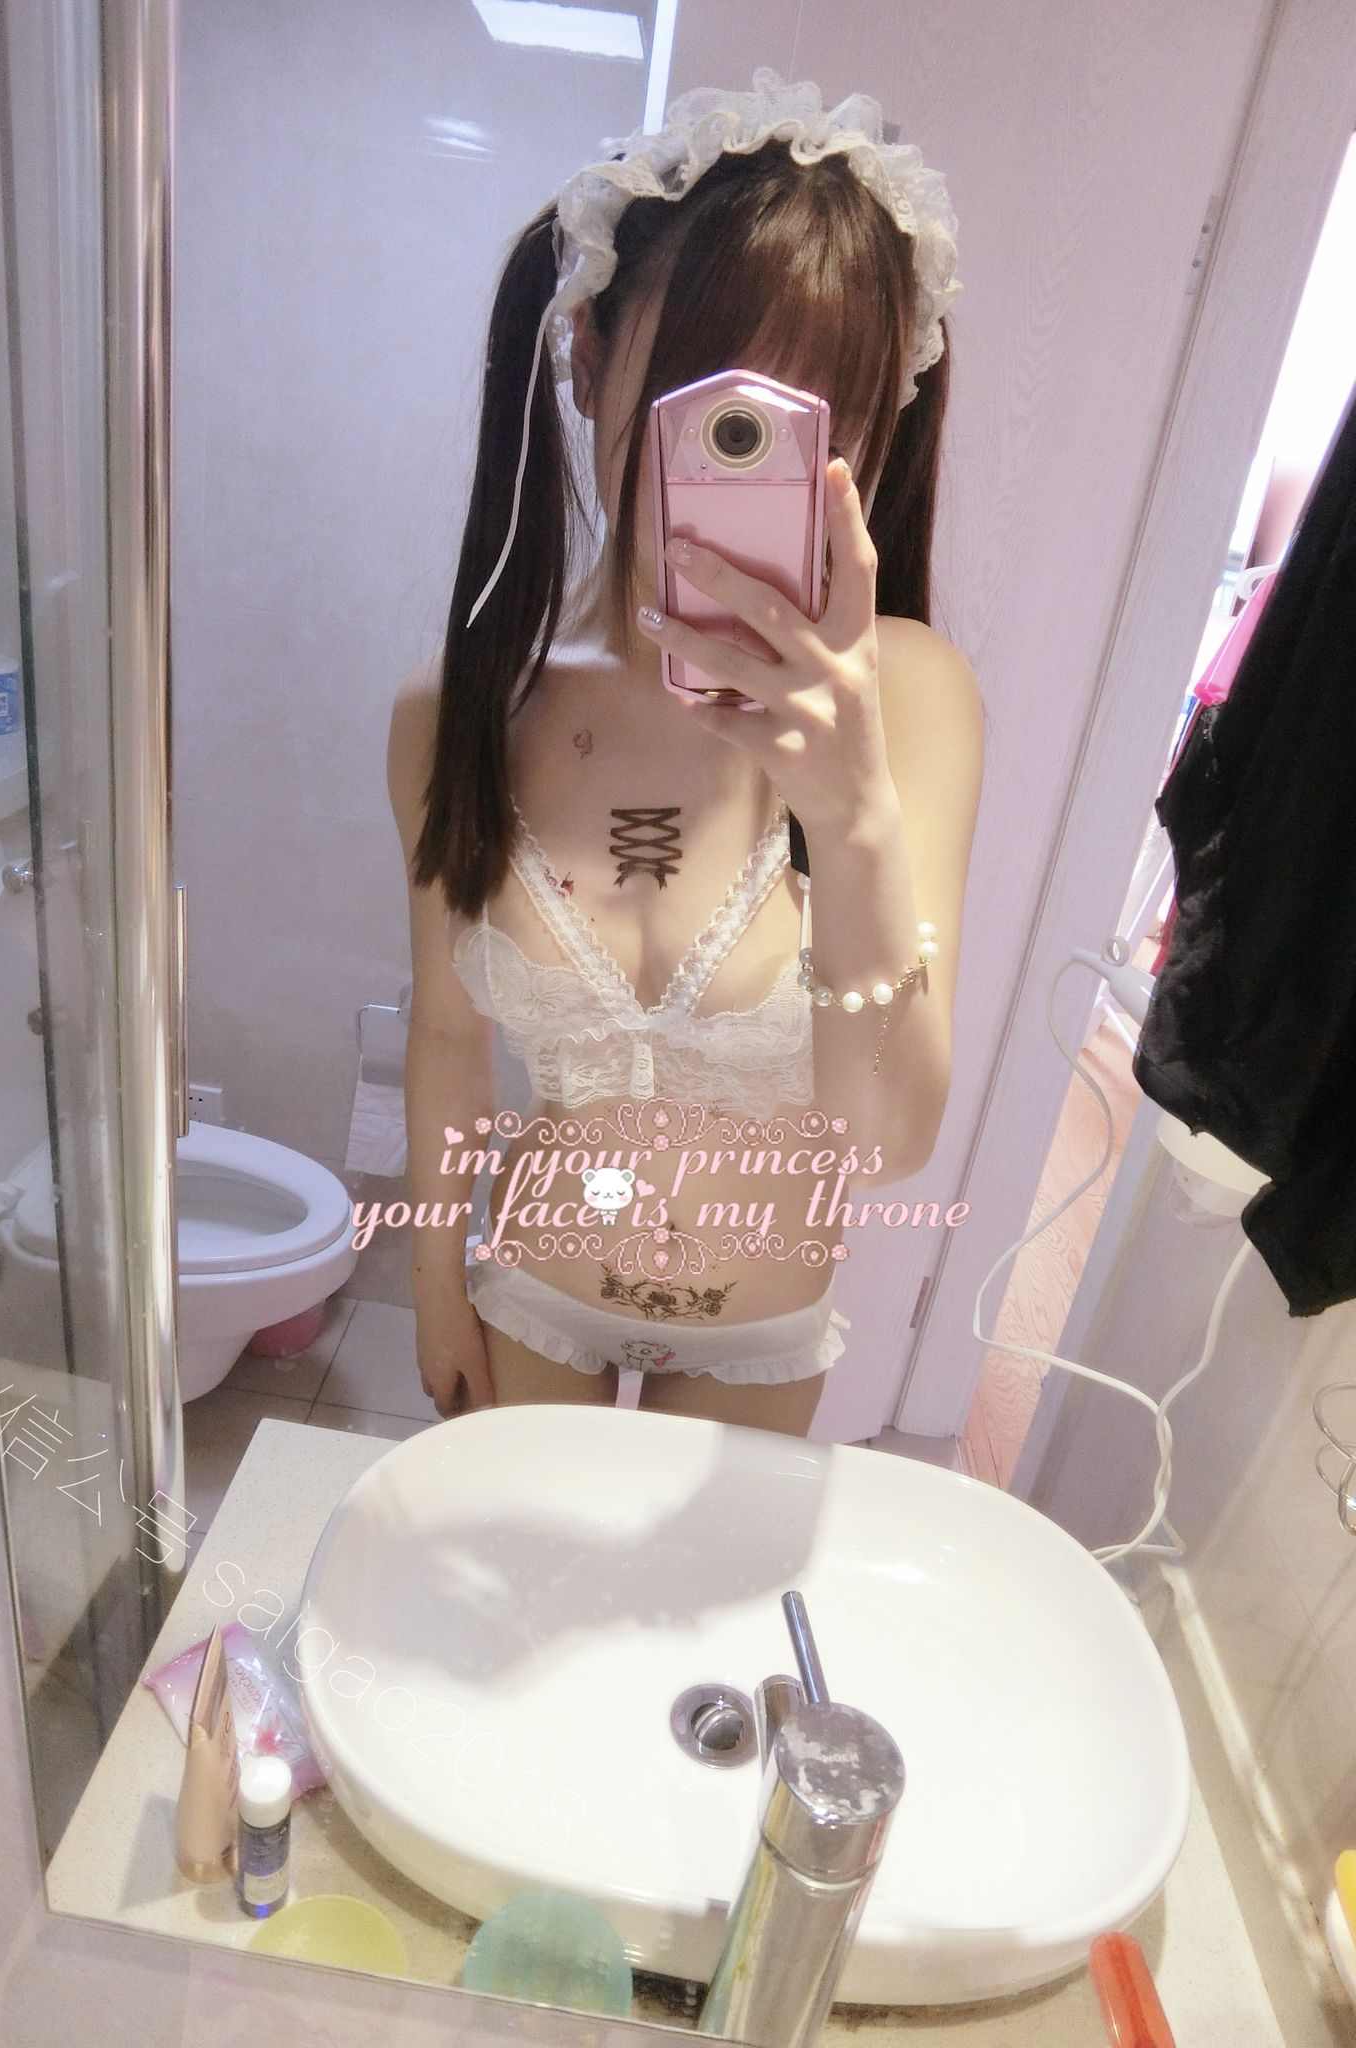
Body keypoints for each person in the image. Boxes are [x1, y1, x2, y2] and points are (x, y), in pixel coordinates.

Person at [386, 72, 984, 1435]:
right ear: (591, 361)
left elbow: (886, 1144)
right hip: (532, 1292)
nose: (747, 469)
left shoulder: (908, 701)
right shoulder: (458, 713)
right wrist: (433, 1287)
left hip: (763, 1335)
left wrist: (853, 817)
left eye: (816, 425)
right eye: (716, 411)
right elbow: (445, 1032)